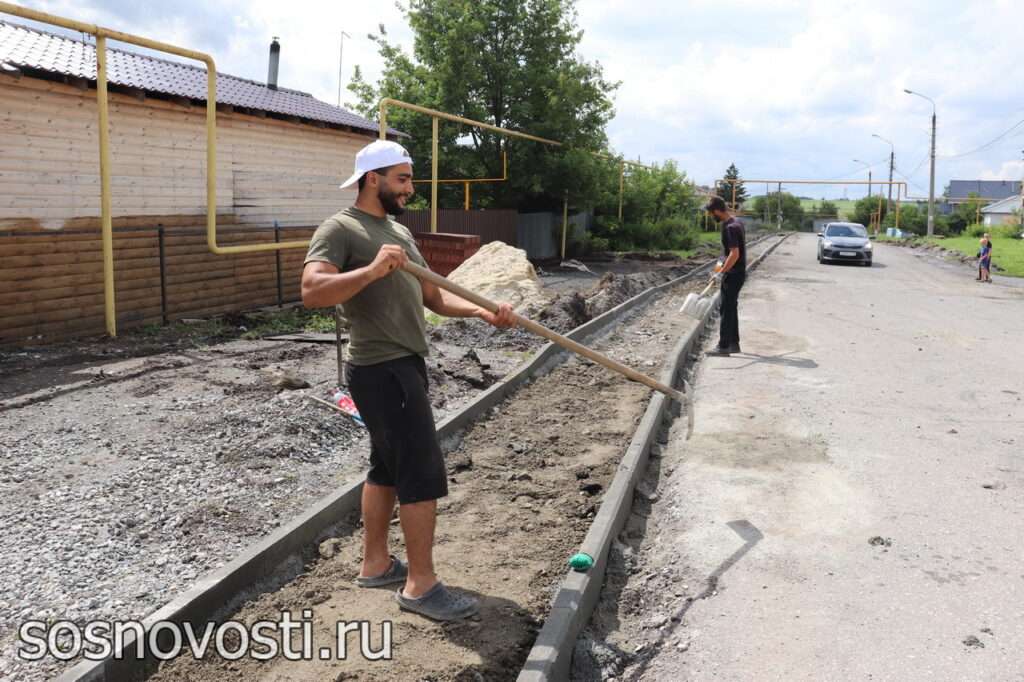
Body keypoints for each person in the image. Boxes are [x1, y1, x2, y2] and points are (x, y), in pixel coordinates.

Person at [300, 139, 515, 621]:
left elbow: (435, 300)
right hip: (381, 368)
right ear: (372, 179)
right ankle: (420, 586)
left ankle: (376, 563)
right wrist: (373, 270)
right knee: (420, 470)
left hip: (405, 365)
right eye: (403, 179)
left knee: (387, 468)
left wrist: (484, 311)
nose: (410, 188)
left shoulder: (399, 231)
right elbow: (312, 291)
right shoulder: (341, 228)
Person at [704, 196, 747, 356]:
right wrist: (716, 272)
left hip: (734, 274)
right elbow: (725, 254)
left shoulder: (731, 227)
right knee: (731, 307)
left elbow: (734, 255)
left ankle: (723, 347)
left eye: (710, 214)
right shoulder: (736, 223)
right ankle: (734, 344)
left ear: (716, 211)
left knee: (726, 309)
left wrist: (721, 272)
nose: (710, 217)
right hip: (736, 273)